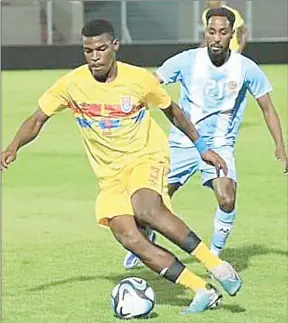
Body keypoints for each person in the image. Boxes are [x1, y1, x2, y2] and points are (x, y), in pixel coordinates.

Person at [1, 19, 242, 314]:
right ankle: (200, 289)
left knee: (147, 209)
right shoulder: (72, 84)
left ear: (115, 46)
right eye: (88, 50)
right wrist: (13, 146)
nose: (94, 57)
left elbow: (174, 112)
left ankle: (216, 265)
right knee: (129, 236)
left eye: (101, 49)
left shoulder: (138, 79)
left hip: (146, 156)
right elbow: (38, 118)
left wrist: (202, 148)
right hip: (110, 176)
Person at [124, 8, 288, 269]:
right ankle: (147, 240)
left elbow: (267, 107)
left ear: (231, 35)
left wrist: (280, 145)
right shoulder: (187, 60)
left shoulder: (246, 69)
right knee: (151, 203)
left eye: (223, 33)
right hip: (182, 142)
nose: (216, 38)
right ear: (206, 32)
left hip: (220, 145)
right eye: (211, 32)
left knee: (227, 197)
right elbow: (152, 84)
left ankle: (214, 255)